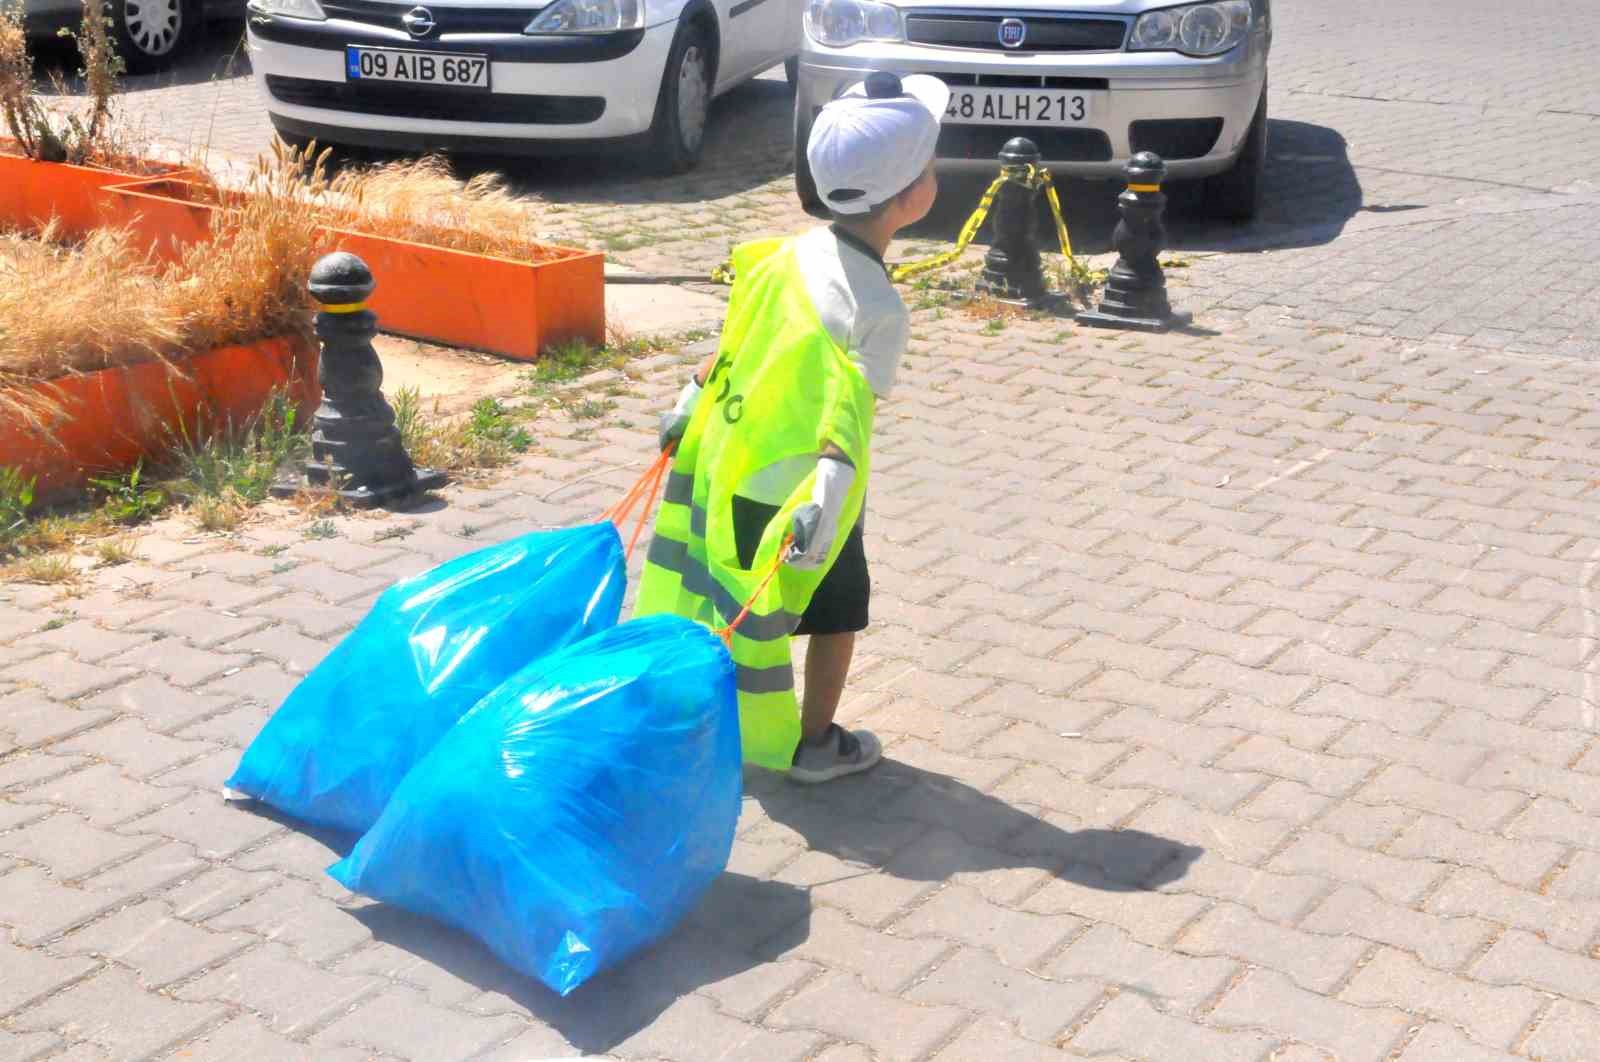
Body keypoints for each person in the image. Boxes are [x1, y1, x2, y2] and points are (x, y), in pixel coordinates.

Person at [634, 70, 947, 784]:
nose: (936, 175)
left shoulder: (781, 255)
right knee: (837, 614)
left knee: (724, 600)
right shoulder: (878, 311)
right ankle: (814, 744)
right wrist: (825, 507)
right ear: (907, 197)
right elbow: (848, 420)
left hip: (734, 468)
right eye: (929, 166)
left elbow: (731, 343)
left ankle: (698, 721)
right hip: (805, 499)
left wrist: (687, 402)